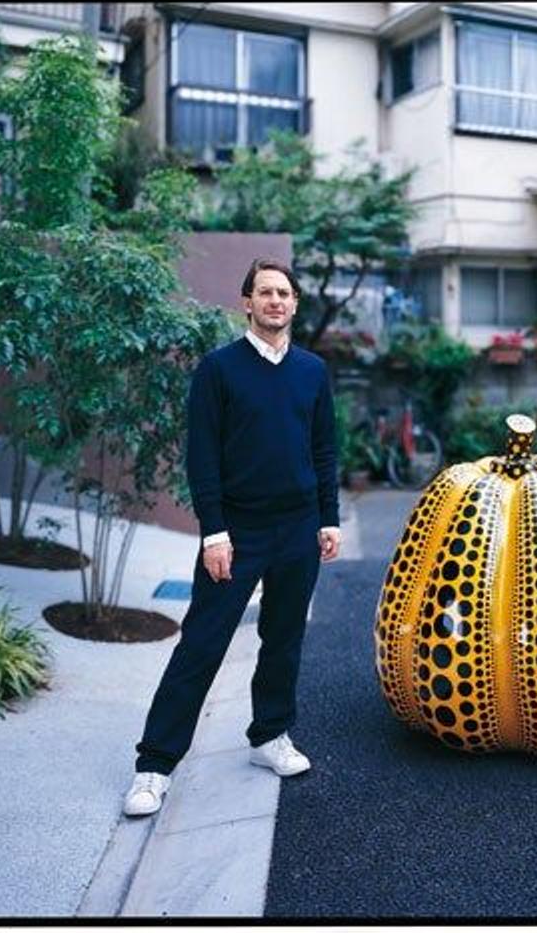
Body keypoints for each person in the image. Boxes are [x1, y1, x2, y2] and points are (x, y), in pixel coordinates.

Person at [123, 258, 342, 816]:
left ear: (294, 304)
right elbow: (203, 459)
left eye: (284, 294)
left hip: (297, 526)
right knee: (203, 643)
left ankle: (271, 736)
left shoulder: (312, 371)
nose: (275, 301)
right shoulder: (219, 369)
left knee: (284, 637)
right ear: (247, 301)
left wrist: (328, 517)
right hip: (238, 532)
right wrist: (213, 532)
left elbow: (324, 450)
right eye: (265, 292)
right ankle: (154, 765)